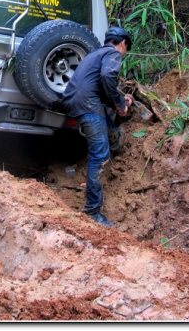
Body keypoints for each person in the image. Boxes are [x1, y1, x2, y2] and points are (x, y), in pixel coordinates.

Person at [61, 26, 134, 227]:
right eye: (126, 48)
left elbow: (98, 86)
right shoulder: (113, 54)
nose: (125, 52)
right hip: (88, 106)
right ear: (123, 44)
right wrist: (120, 103)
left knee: (108, 131)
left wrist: (118, 100)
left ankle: (115, 138)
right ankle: (92, 211)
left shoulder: (96, 54)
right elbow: (107, 77)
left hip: (75, 102)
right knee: (100, 157)